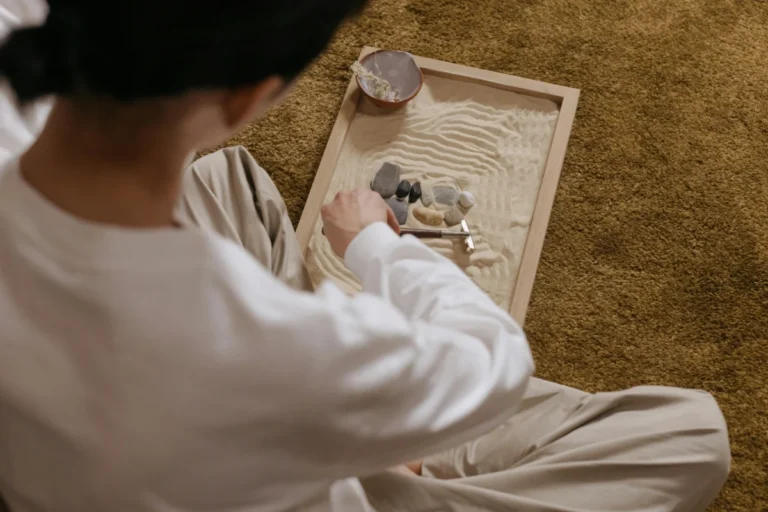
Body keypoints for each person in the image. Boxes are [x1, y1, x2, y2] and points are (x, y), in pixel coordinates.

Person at [0, 1, 730, 511]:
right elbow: (496, 360)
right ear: (249, 94)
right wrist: (378, 246)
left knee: (232, 181)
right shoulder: (267, 348)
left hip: (88, 462)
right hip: (259, 452)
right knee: (692, 434)